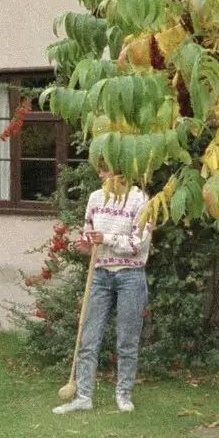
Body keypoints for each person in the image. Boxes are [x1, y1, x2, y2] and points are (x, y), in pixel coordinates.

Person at [54, 167, 152, 415]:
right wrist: (86, 243)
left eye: (104, 169)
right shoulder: (96, 198)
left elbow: (138, 244)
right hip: (100, 274)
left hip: (130, 275)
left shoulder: (141, 200)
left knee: (127, 340)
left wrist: (105, 238)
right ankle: (84, 395)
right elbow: (89, 231)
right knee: (89, 338)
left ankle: (124, 394)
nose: (99, 174)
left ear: (120, 171)